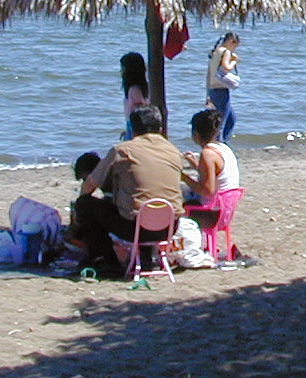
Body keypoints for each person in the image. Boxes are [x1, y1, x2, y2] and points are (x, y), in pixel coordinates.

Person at [73, 104, 186, 270]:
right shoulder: (174, 151)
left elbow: (89, 185)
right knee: (144, 197)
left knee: (85, 204)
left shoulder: (122, 150)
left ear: (132, 130)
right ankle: (146, 257)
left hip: (136, 228)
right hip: (169, 226)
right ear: (160, 128)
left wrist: (79, 208)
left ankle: (105, 260)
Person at [180, 107, 240, 208]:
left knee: (177, 190)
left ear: (195, 134)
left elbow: (207, 191)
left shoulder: (207, 154)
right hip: (227, 203)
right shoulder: (223, 148)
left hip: (212, 208)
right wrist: (196, 165)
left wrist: (183, 177)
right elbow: (216, 177)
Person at [206, 32, 240, 142]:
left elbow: (208, 74)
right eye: (235, 46)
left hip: (212, 89)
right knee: (222, 123)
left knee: (231, 119)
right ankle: (220, 146)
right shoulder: (226, 52)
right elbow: (226, 67)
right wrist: (234, 62)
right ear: (231, 42)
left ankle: (224, 143)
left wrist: (207, 95)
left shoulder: (215, 52)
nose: (234, 49)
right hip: (220, 90)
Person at [120, 51, 149, 137]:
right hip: (135, 126)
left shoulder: (134, 89)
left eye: (123, 68)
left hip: (135, 126)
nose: (121, 71)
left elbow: (139, 113)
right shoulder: (144, 86)